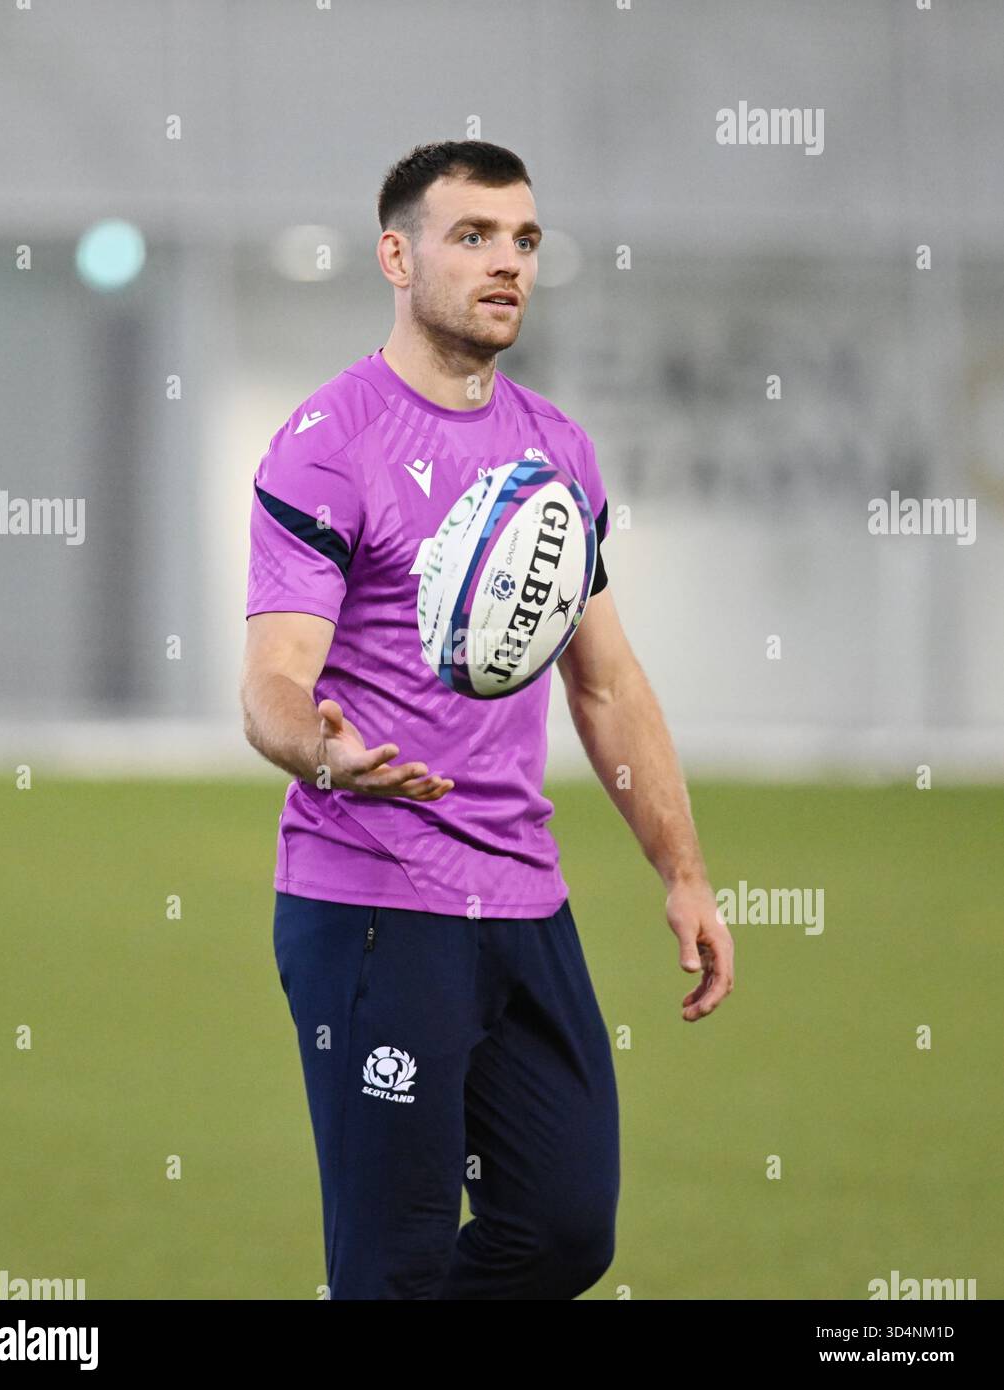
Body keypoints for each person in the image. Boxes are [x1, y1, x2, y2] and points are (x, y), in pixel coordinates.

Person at [240, 140, 734, 1300]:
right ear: (396, 255)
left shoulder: (556, 450)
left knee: (564, 1232)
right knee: (396, 1260)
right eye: (472, 236)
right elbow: (270, 681)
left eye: (523, 240)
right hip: (370, 901)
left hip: (523, 898)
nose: (507, 263)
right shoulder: (329, 442)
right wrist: (326, 750)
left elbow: (605, 681)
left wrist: (685, 872)